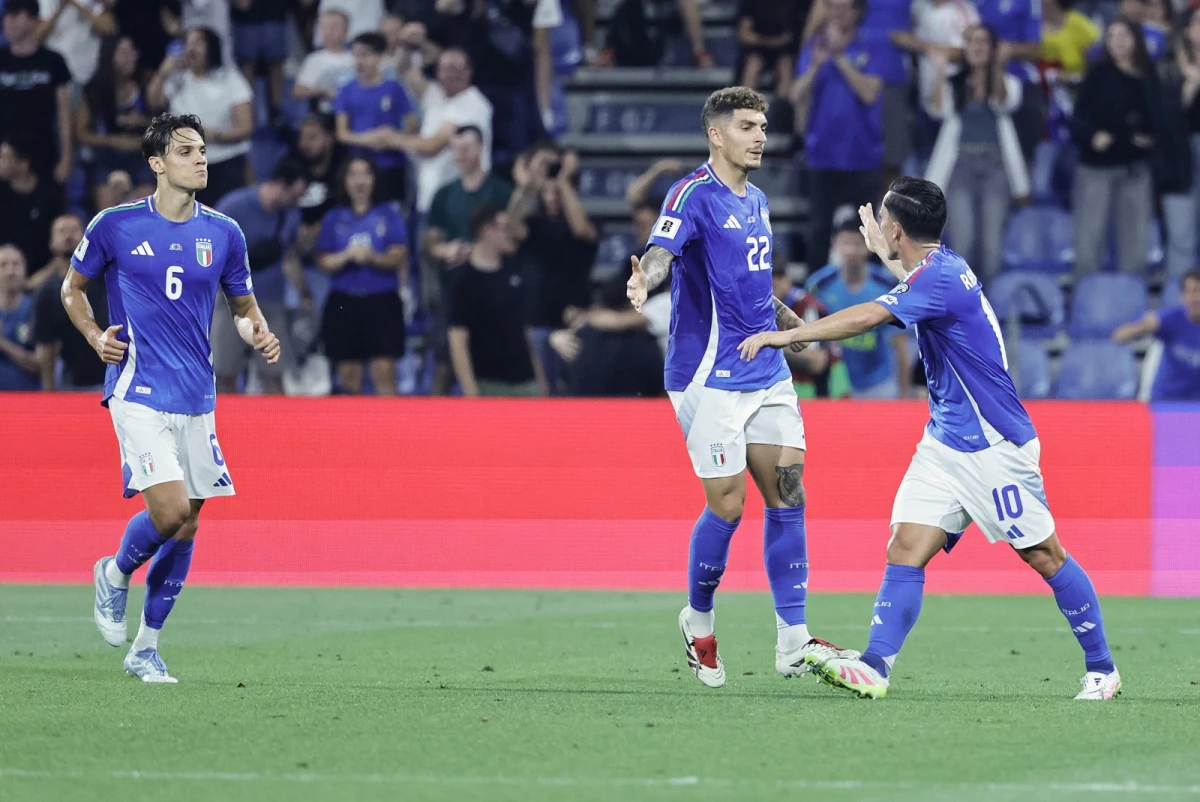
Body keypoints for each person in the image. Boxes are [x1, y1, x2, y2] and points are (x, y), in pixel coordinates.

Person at [737, 178, 1121, 701]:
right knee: (905, 547)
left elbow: (871, 314)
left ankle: (1102, 669)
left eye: (885, 228)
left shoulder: (938, 278)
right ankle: (875, 665)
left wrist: (789, 334)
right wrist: (884, 254)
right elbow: (909, 286)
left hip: (993, 446)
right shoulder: (939, 270)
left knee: (1044, 554)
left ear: (896, 229)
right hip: (944, 443)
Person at [624, 87, 856, 689]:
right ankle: (698, 618)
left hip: (765, 367)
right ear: (716, 134)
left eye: (764, 125)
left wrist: (788, 322)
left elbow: (750, 286)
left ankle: (793, 641)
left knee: (789, 489)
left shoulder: (757, 201)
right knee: (728, 503)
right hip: (707, 374)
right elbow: (659, 254)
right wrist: (643, 282)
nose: (761, 136)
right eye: (749, 126)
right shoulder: (692, 195)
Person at [74, 112, 281, 683]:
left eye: (203, 150)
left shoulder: (224, 233)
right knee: (167, 511)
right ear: (157, 163)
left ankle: (146, 647)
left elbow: (242, 308)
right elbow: (73, 289)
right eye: (187, 150)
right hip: (138, 391)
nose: (201, 158)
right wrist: (95, 337)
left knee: (188, 525)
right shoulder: (115, 225)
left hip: (197, 397)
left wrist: (257, 331)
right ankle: (114, 574)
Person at [926, 26, 1030, 281]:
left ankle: (990, 309)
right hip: (961, 165)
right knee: (964, 241)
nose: (977, 47)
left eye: (984, 42)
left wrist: (996, 67)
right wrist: (940, 69)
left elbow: (1004, 101)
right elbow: (937, 110)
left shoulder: (1009, 82)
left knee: (992, 245)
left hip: (995, 166)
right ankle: (965, 309)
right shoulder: (955, 82)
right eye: (972, 42)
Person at [791, 0, 885, 267]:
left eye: (843, 8)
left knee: (868, 230)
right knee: (819, 229)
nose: (836, 14)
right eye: (832, 7)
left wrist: (840, 58)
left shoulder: (872, 45)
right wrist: (816, 66)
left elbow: (870, 93)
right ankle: (813, 299)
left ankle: (872, 296)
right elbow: (795, 94)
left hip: (862, 152)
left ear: (857, 13)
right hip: (822, 153)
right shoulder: (814, 46)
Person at [423, 125, 514, 394]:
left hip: (492, 289)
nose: (460, 155)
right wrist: (445, 251)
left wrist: (475, 253)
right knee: (444, 362)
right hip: (454, 287)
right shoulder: (445, 194)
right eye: (455, 149)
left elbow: (511, 238)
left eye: (466, 148)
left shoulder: (500, 191)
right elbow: (431, 240)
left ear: (480, 149)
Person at [211, 159, 309, 395]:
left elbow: (289, 257)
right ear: (281, 184)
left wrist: (304, 292)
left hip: (270, 303)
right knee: (224, 372)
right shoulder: (235, 205)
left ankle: (280, 429)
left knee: (274, 374)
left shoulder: (290, 215)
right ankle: (223, 428)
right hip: (231, 302)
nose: (297, 201)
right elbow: (210, 249)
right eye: (295, 194)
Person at [315, 156, 409, 394]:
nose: (360, 181)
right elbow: (323, 259)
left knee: (384, 370)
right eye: (353, 175)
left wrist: (373, 258)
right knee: (348, 374)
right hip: (344, 301)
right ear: (344, 181)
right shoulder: (333, 217)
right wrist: (346, 256)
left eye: (365, 174)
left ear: (374, 179)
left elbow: (398, 255)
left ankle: (390, 428)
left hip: (382, 300)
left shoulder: (389, 214)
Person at [1070, 18, 1156, 276]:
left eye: (1124, 35)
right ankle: (1085, 305)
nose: (1117, 40)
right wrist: (1093, 135)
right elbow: (1077, 118)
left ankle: (1132, 308)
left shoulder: (1150, 76)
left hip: (1135, 169)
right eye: (1112, 35)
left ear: (1136, 40)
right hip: (1097, 168)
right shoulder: (1097, 73)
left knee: (1135, 245)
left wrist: (1150, 137)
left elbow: (1160, 118)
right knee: (1089, 242)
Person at [511, 145, 597, 395]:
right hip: (537, 321)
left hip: (574, 320)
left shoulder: (583, 224)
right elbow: (512, 226)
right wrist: (528, 184)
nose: (552, 196)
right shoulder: (534, 224)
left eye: (557, 191)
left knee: (574, 392)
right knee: (541, 394)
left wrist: (562, 180)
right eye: (548, 191)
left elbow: (582, 232)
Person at [148, 27, 255, 206]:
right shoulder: (178, 79)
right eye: (188, 43)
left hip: (226, 160)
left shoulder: (230, 79)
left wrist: (214, 135)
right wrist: (162, 73)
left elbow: (246, 126)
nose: (191, 48)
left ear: (211, 48)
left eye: (198, 42)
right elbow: (153, 102)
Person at [808, 213, 909, 398]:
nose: (851, 250)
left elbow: (900, 344)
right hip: (836, 384)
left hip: (879, 384)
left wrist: (904, 393)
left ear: (868, 247)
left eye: (857, 244)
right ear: (834, 244)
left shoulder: (885, 286)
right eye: (845, 243)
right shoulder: (818, 285)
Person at [448, 204, 541, 396]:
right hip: (490, 382)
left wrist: (540, 376)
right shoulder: (464, 281)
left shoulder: (514, 270)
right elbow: (458, 340)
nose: (510, 233)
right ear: (486, 231)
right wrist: (470, 390)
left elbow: (524, 330)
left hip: (526, 380)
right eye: (504, 227)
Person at [334, 31, 416, 206]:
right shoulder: (346, 90)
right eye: (355, 55)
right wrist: (367, 139)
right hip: (359, 168)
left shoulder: (394, 88)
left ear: (380, 57)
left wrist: (394, 139)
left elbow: (411, 124)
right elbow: (342, 133)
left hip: (391, 165)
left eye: (365, 55)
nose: (359, 61)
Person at [33, 213, 109, 391]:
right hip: (71, 382)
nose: (68, 235)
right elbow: (46, 345)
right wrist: (49, 391)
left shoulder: (107, 279)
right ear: (51, 243)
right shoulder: (46, 292)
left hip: (113, 375)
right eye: (61, 231)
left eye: (74, 230)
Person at [77, 35, 154, 208]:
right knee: (109, 216)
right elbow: (81, 133)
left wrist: (142, 122)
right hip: (107, 155)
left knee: (146, 214)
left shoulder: (146, 82)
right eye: (124, 52)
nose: (131, 57)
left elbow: (164, 123)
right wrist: (112, 141)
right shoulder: (93, 90)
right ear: (109, 56)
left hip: (142, 154)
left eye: (132, 51)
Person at [0, 0, 73, 182]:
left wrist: (66, 158)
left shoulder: (54, 61)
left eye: (16, 15)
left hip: (44, 151)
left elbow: (64, 114)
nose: (8, 21)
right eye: (7, 16)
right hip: (5, 153)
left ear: (34, 21)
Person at [1113, 270, 1200, 401]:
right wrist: (1143, 327)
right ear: (1183, 296)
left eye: (1198, 291)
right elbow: (1119, 337)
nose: (1196, 298)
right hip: (1166, 400)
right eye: (1190, 292)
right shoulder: (1171, 318)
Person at [771, 263, 844, 398]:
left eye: (773, 287)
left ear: (786, 280)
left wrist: (770, 343)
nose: (771, 295)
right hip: (787, 388)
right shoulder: (758, 308)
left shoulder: (806, 306)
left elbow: (817, 361)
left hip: (821, 392)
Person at [0, 136, 65, 274]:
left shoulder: (50, 194)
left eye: (4, 157)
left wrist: (39, 279)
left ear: (23, 163)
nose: (1, 162)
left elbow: (61, 246)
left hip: (43, 276)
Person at [230, 0, 288, 125]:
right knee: (247, 63)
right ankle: (246, 109)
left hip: (275, 11)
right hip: (246, 17)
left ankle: (275, 111)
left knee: (276, 62)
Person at [35, 0, 115, 86]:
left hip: (88, 73)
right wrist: (61, 8)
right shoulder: (45, 2)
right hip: (55, 73)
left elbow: (109, 28)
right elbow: (36, 38)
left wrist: (75, 4)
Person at [292, 8, 354, 114]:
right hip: (326, 114)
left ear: (346, 31)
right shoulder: (314, 59)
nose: (329, 31)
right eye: (325, 27)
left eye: (334, 27)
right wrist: (322, 90)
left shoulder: (355, 57)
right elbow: (297, 91)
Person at [0, 244, 39, 391]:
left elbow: (40, 365)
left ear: (25, 270)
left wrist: (3, 344)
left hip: (28, 397)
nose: (10, 271)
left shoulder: (35, 309)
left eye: (16, 264)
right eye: (3, 265)